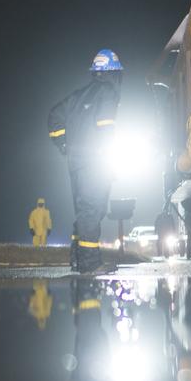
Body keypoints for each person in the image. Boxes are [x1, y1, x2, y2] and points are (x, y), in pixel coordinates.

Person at [48, 49, 123, 272]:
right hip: (95, 161)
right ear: (113, 73)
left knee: (85, 210)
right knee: (93, 209)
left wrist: (63, 144)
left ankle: (77, 258)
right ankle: (89, 264)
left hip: (76, 162)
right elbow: (105, 128)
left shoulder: (79, 95)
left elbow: (54, 116)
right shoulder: (108, 91)